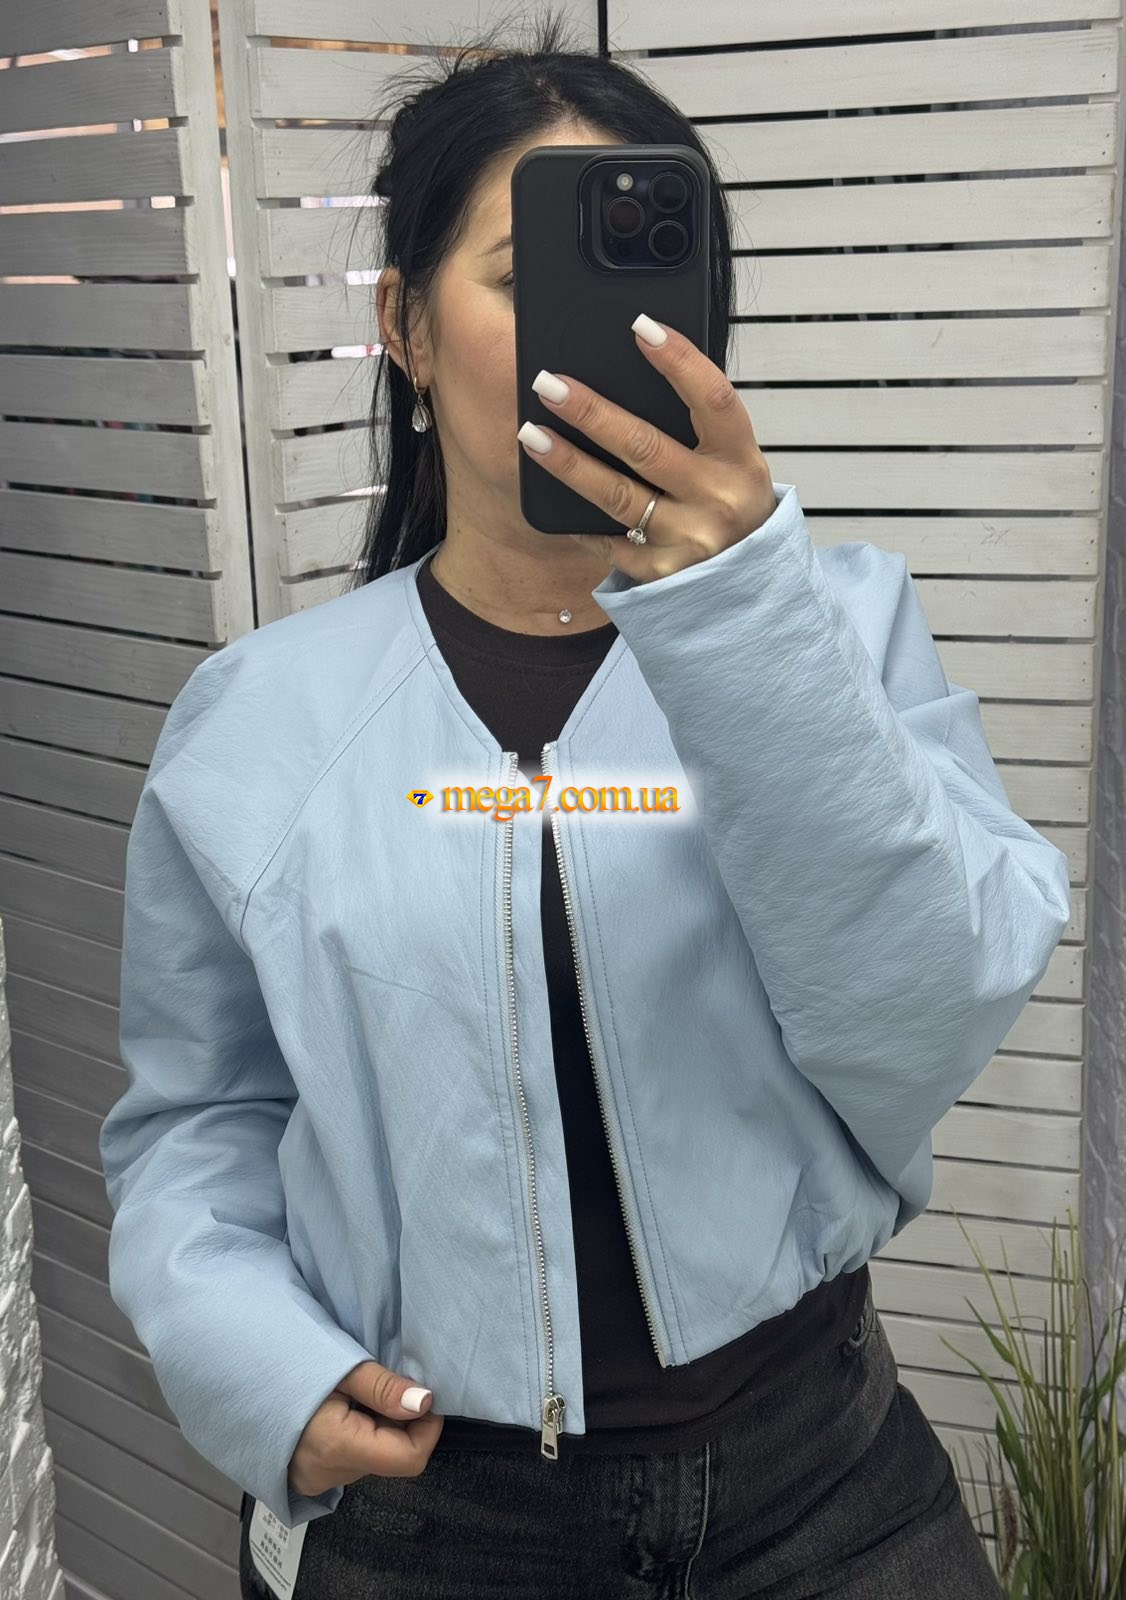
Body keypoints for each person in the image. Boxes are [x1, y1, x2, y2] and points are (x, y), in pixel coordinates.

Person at [99, 13, 1069, 1597]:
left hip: (825, 1490)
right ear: (404, 327)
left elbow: (923, 1014)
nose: (594, 336)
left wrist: (746, 625)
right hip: (431, 1520)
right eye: (526, 277)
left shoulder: (838, 630)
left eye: (647, 283)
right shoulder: (263, 719)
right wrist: (255, 1366)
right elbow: (198, 1118)